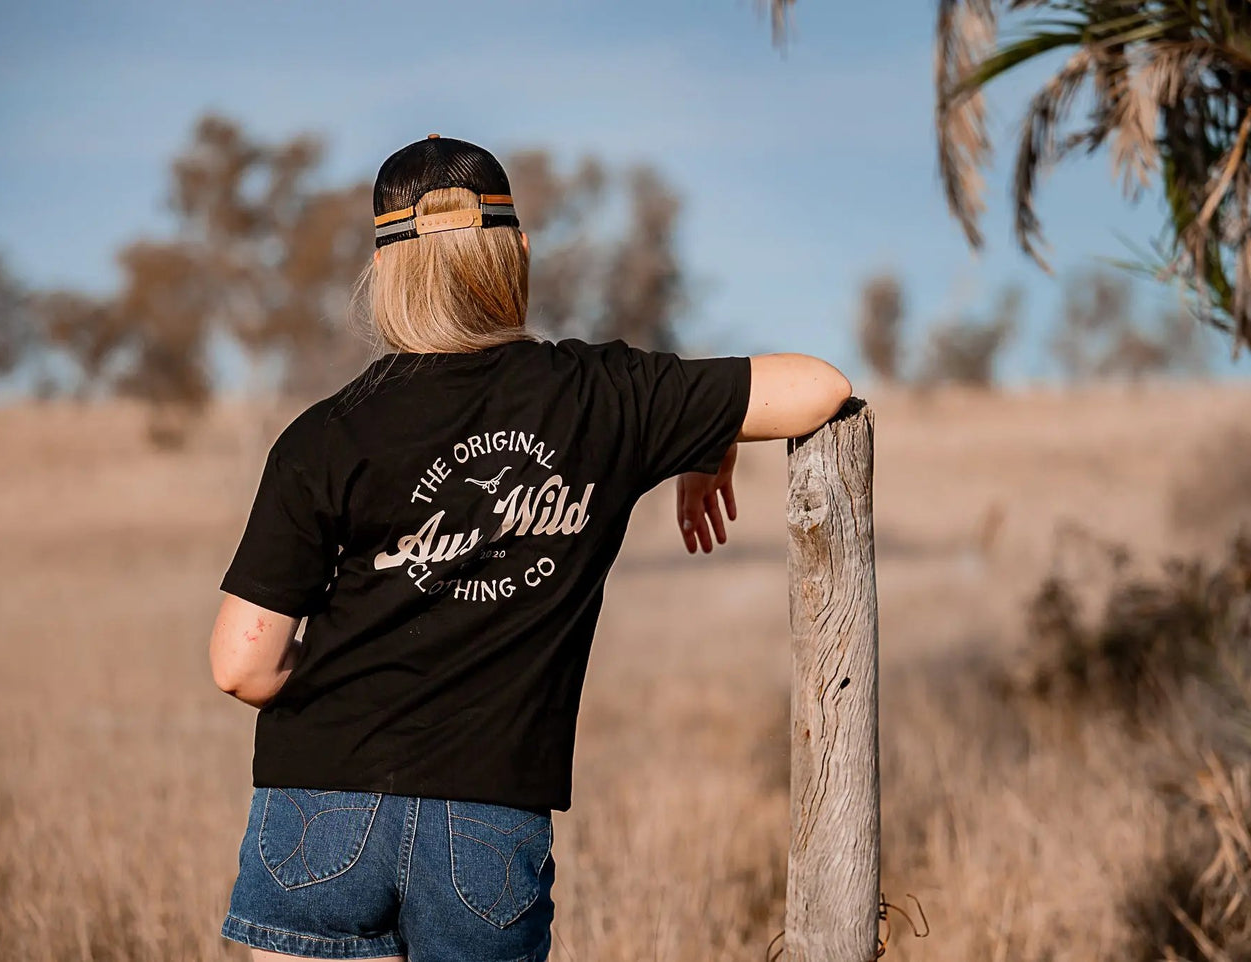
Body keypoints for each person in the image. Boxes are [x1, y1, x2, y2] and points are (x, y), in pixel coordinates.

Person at [210, 134, 852, 962]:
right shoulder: (605, 397)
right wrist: (710, 434)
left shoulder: (325, 434)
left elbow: (241, 666)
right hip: (487, 820)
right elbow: (820, 387)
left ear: (383, 271)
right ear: (516, 254)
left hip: (317, 806)